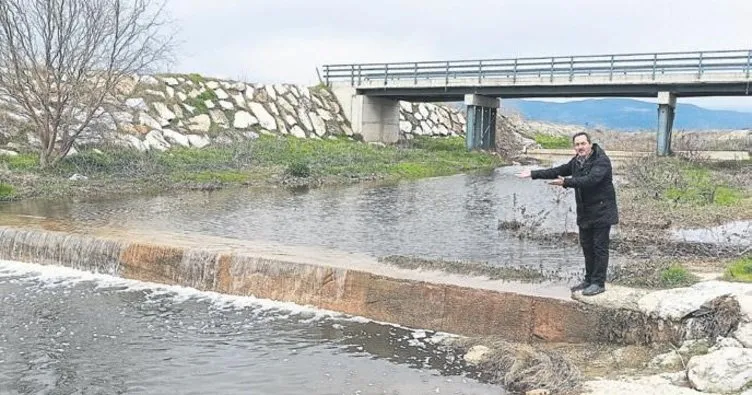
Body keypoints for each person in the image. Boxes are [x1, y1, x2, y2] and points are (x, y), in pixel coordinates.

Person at [516, 132, 618, 296]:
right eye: (577, 144)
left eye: (583, 144)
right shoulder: (576, 162)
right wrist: (533, 174)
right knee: (587, 247)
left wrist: (565, 182)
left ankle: (598, 283)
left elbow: (591, 181)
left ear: (590, 144)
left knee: (600, 248)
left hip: (602, 211)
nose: (580, 147)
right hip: (585, 212)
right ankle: (588, 279)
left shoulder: (601, 161)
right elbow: (558, 170)